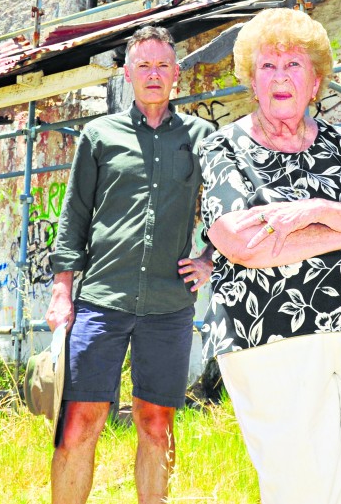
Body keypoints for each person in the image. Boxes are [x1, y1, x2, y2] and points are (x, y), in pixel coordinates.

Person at [197, 7, 341, 504]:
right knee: (302, 484)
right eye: (267, 66)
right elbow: (242, 243)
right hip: (270, 335)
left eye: (294, 66)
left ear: (316, 82)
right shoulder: (225, 146)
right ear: (252, 82)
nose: (281, 77)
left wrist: (313, 211)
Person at [47, 25, 214, 504]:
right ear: (127, 74)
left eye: (163, 65)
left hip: (168, 306)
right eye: (144, 65)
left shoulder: (201, 137)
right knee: (79, 422)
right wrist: (62, 289)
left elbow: (229, 207)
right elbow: (74, 215)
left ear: (176, 74)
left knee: (156, 425)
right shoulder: (99, 135)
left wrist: (209, 259)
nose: (154, 74)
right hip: (102, 300)